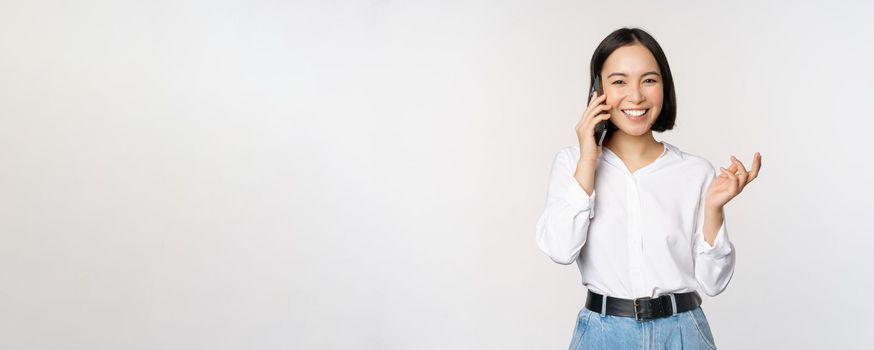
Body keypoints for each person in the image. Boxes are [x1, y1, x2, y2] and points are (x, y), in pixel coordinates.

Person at [535, 27, 763, 350]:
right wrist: (588, 158)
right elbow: (560, 249)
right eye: (619, 81)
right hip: (602, 335)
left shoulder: (695, 171)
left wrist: (714, 209)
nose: (636, 96)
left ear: (664, 87)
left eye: (649, 80)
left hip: (683, 333)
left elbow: (714, 282)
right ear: (597, 91)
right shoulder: (571, 163)